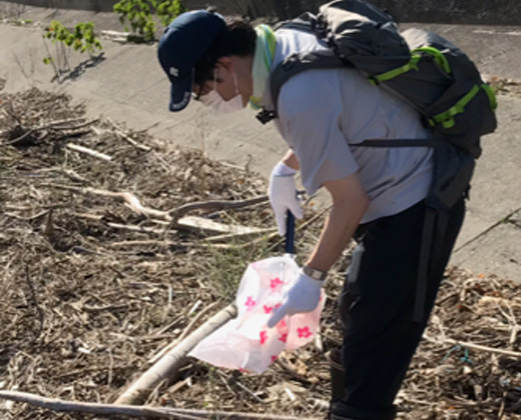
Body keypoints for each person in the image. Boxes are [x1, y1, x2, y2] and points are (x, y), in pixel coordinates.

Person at [157, 9, 466, 420]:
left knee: (377, 337)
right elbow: (341, 109)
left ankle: (355, 412)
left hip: (415, 200)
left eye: (203, 89)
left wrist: (311, 277)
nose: (213, 100)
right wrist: (288, 165)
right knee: (359, 315)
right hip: (401, 175)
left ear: (226, 65)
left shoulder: (296, 96)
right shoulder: (287, 42)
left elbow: (350, 201)